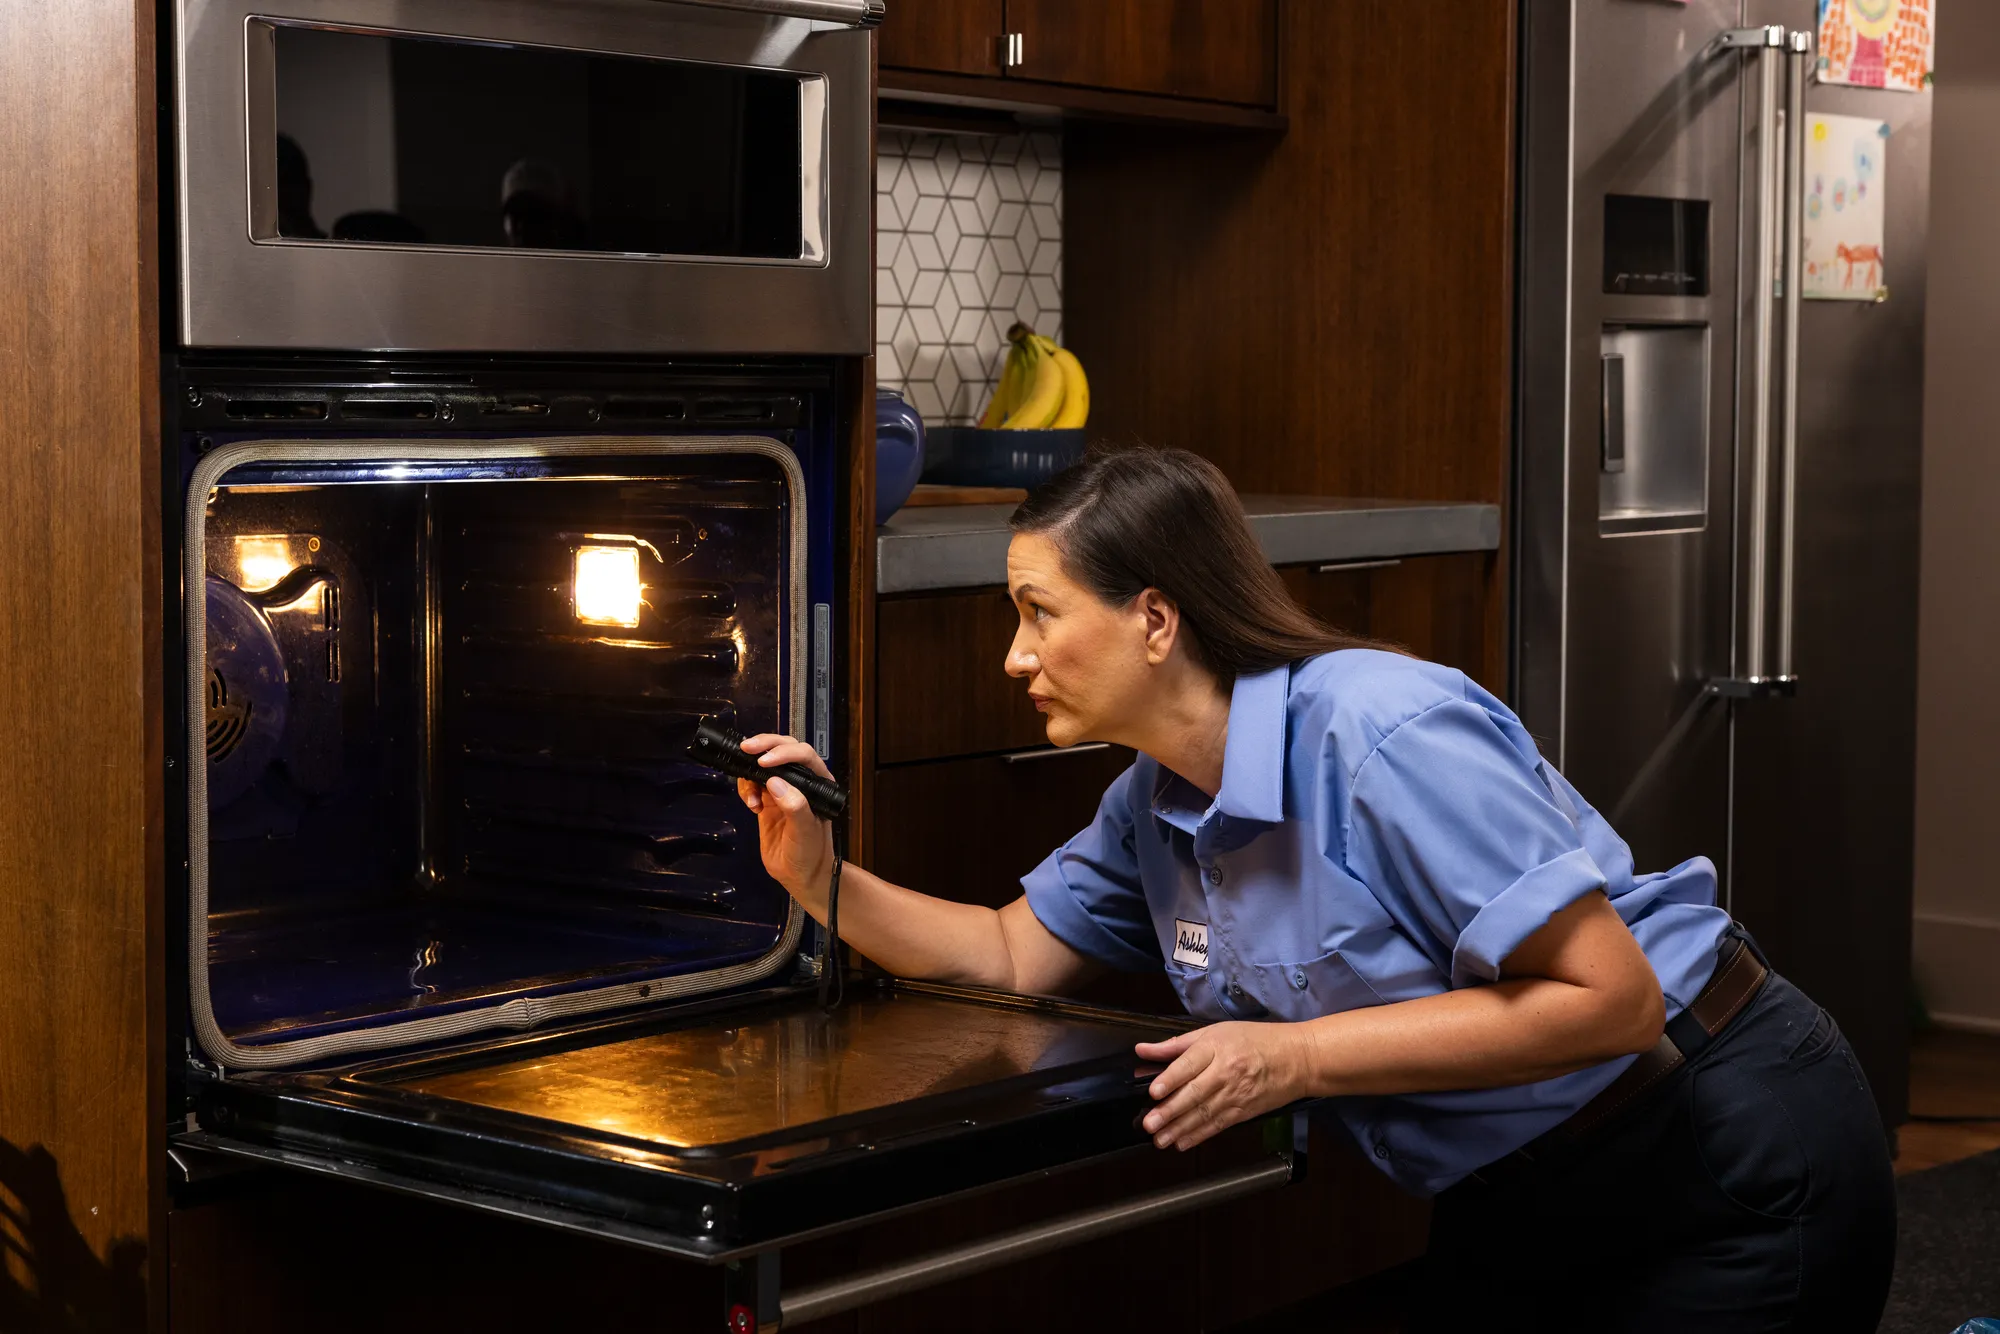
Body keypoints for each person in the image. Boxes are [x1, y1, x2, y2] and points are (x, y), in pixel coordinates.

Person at [736, 446, 1896, 1331]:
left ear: (1152, 616)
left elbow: (1610, 1002)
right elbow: (1003, 951)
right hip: (1523, 1185)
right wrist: (816, 873)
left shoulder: (1376, 728)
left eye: (1038, 611)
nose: (1012, 654)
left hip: (1713, 1138)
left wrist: (1288, 1057)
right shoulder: (1151, 801)